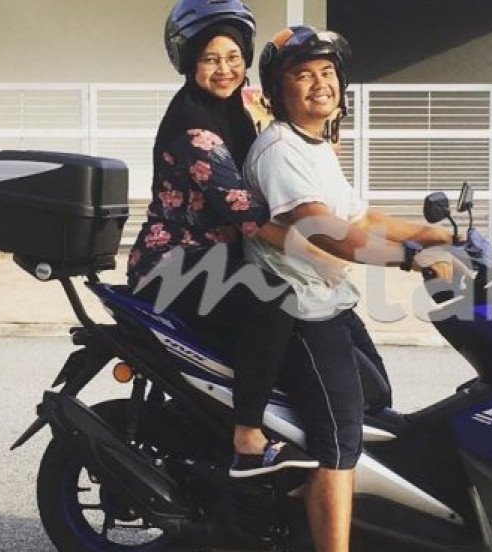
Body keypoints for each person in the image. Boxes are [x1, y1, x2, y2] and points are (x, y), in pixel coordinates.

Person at [245, 26, 455, 552]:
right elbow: (324, 230)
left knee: (374, 400)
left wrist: (433, 234)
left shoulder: (312, 144)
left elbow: (360, 218)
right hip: (298, 311)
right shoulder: (280, 150)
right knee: (338, 443)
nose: (320, 83)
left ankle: (295, 512)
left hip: (327, 301)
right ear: (277, 91)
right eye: (303, 74)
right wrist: (409, 258)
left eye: (327, 71)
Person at [128, 0, 331, 478]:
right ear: (188, 61)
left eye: (234, 57)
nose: (225, 69)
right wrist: (326, 255)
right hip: (172, 266)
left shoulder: (239, 107)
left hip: (217, 259)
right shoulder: (195, 129)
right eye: (211, 59)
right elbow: (252, 218)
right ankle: (247, 436)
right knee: (276, 301)